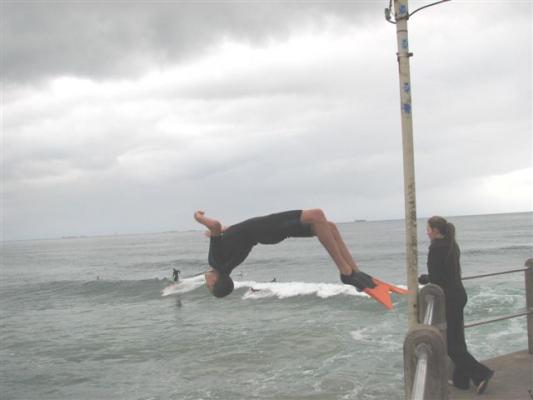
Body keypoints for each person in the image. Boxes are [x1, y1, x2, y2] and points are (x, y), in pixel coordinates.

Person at [193, 209, 406, 308]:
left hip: (265, 233)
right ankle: (346, 271)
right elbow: (215, 226)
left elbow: (233, 235)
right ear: (215, 281)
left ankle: (354, 272)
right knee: (317, 215)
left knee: (327, 226)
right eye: (209, 287)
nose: (206, 283)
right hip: (265, 228)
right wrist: (200, 218)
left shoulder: (225, 264)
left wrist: (222, 232)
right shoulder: (217, 262)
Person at [419, 216, 494, 394]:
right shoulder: (452, 244)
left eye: (428, 228)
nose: (426, 232)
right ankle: (461, 380)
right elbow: (448, 274)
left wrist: (424, 279)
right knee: (458, 339)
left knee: (451, 346)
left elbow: (437, 279)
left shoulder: (435, 249)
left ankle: (481, 374)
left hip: (450, 299)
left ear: (436, 230)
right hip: (459, 295)